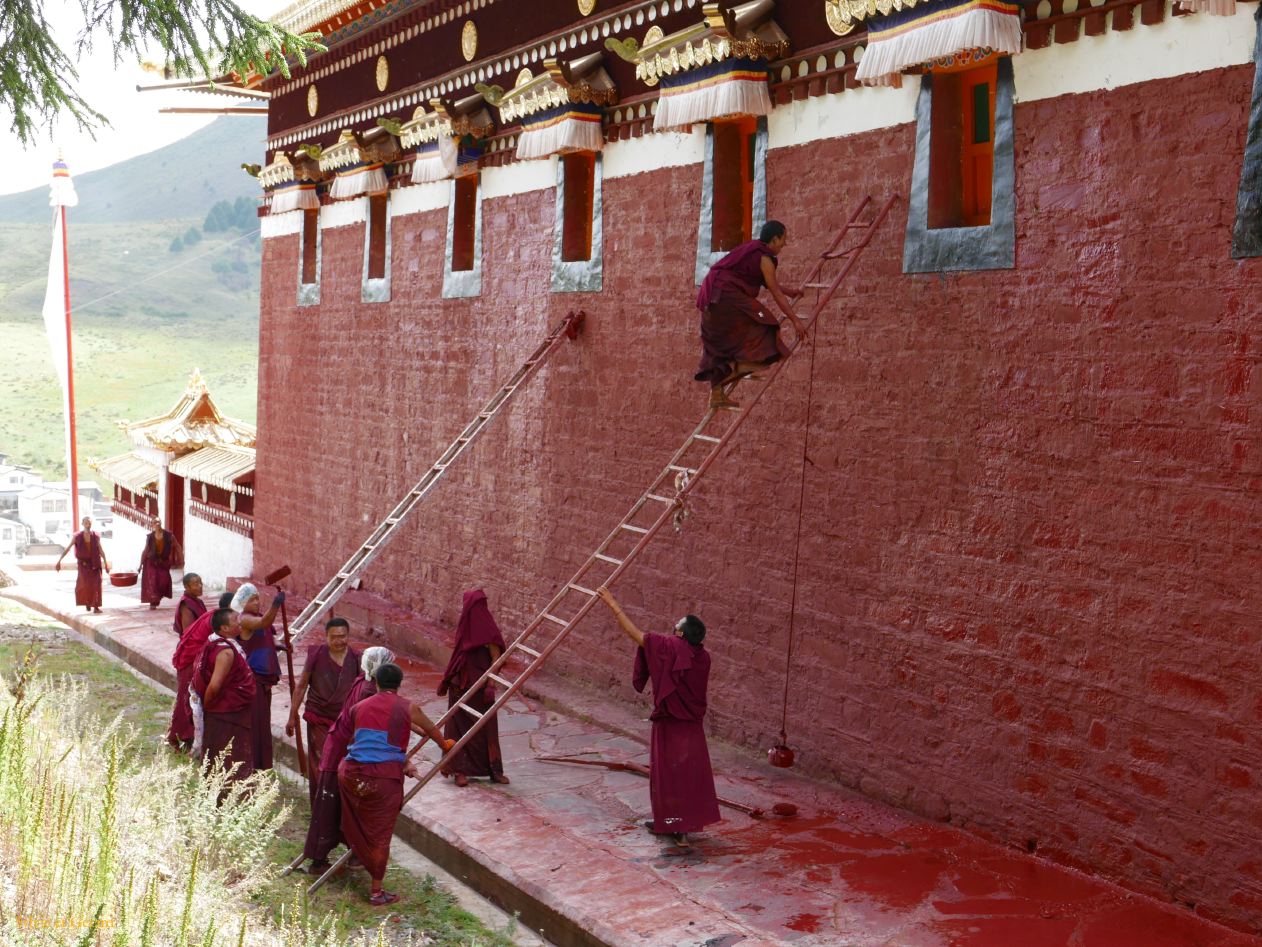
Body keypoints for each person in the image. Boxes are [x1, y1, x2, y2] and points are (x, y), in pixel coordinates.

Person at [596, 587, 720, 844]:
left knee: (667, 777)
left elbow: (635, 634)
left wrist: (612, 603)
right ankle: (675, 823)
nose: (672, 630)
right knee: (688, 777)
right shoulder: (703, 658)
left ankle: (674, 826)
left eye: (676, 627)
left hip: (670, 726)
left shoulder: (670, 647)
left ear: (681, 634)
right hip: (692, 729)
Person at [339, 663, 453, 905]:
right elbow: (431, 729)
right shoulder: (408, 707)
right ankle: (376, 892)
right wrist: (445, 745)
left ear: (376, 683)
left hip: (350, 774)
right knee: (380, 834)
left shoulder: (359, 707)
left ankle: (357, 857)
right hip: (381, 780)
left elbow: (365, 741)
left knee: (358, 821)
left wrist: (403, 762)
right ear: (400, 684)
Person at [298, 645, 393, 876]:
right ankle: (330, 859)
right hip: (344, 753)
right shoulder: (369, 692)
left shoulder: (363, 681)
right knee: (345, 806)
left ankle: (340, 856)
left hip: (339, 748)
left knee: (336, 805)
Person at [694, 219, 806, 409]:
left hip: (712, 295)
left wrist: (791, 292)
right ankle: (744, 364)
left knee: (725, 343)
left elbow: (772, 284)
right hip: (725, 294)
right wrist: (795, 321)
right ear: (774, 239)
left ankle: (717, 393)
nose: (784, 244)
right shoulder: (764, 257)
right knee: (767, 327)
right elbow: (775, 292)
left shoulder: (753, 249)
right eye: (783, 240)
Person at [438, 589, 510, 788]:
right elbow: (458, 655)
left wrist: (490, 683)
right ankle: (459, 770)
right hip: (461, 685)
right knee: (457, 728)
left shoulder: (487, 628)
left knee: (486, 728)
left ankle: (494, 771)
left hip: (481, 686)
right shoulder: (465, 626)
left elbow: (496, 657)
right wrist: (448, 680)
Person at [287, 617, 362, 803]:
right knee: (322, 763)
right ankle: (322, 805)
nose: (339, 641)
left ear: (348, 636)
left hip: (345, 721)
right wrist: (292, 716)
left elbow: (362, 691)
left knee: (342, 764)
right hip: (319, 717)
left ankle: (339, 807)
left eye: (342, 636)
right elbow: (301, 686)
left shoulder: (356, 658)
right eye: (334, 637)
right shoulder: (316, 655)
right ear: (326, 637)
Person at [193, 608, 256, 786]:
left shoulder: (214, 642)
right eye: (236, 619)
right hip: (225, 710)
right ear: (225, 628)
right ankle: (227, 791)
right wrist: (208, 706)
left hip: (225, 709)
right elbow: (215, 685)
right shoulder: (226, 653)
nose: (240, 621)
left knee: (219, 751)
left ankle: (218, 788)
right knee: (228, 753)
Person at [233, 583, 285, 772]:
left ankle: (261, 765)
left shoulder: (258, 617)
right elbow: (263, 624)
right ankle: (250, 764)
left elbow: (268, 635)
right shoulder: (245, 619)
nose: (257, 602)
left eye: (257, 598)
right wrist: (276, 605)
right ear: (243, 602)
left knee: (263, 722)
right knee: (254, 722)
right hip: (252, 679)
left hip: (264, 681)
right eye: (252, 599)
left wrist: (279, 645)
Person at [176, 591, 235, 756]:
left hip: (200, 661)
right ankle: (186, 739)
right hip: (192, 660)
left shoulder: (223, 620)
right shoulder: (219, 622)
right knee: (192, 703)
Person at [164, 573, 207, 750]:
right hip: (190, 653)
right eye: (195, 584)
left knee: (194, 695)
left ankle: (191, 734)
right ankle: (178, 735)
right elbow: (191, 633)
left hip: (199, 652)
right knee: (186, 695)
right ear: (187, 587)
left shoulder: (198, 602)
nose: (200, 586)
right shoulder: (186, 605)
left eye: (200, 582)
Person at [55, 516, 110, 614]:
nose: (88, 524)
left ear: (91, 524)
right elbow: (68, 548)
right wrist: (59, 561)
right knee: (85, 585)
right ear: (82, 524)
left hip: (95, 564)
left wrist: (106, 563)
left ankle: (96, 607)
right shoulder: (77, 536)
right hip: (83, 565)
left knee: (97, 584)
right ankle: (87, 603)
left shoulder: (95, 536)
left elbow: (101, 550)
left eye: (89, 523)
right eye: (86, 523)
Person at [139, 517, 183, 610]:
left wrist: (181, 560)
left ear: (161, 523)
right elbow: (145, 550)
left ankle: (157, 597)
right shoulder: (150, 537)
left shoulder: (169, 536)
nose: (157, 523)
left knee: (164, 580)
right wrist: (140, 564)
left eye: (158, 522)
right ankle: (153, 601)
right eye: (155, 522)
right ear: (152, 525)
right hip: (151, 561)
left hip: (163, 562)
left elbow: (177, 546)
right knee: (153, 581)